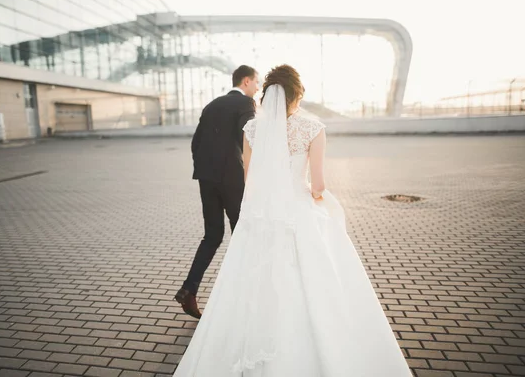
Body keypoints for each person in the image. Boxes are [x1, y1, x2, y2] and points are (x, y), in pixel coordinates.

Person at [173, 65, 413, 376]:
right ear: (297, 95)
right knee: (309, 277)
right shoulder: (312, 129)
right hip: (296, 212)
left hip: (258, 213)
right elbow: (318, 186)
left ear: (267, 95)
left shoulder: (252, 131)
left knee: (244, 272)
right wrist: (322, 202)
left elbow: (250, 180)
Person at [175, 65, 260, 319]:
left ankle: (189, 289)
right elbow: (250, 138)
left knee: (212, 236)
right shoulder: (246, 104)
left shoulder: (211, 105)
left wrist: (205, 170)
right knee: (242, 234)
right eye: (256, 82)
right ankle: (237, 298)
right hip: (233, 178)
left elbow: (196, 143)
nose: (257, 87)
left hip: (206, 178)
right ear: (246, 81)